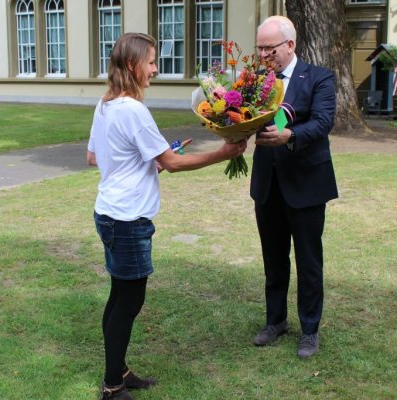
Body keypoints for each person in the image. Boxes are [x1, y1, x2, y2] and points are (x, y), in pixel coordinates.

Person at [86, 32, 246, 400]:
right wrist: (223, 153)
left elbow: (94, 157)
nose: (156, 69)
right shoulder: (133, 110)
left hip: (109, 213)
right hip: (127, 219)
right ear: (133, 65)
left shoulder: (105, 104)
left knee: (119, 296)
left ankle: (118, 370)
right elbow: (172, 163)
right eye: (151, 62)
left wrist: (146, 163)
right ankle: (112, 386)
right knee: (129, 302)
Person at [250, 16, 338, 357]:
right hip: (267, 184)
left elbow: (323, 121)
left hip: (306, 184)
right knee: (273, 258)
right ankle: (275, 321)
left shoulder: (319, 77)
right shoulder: (256, 81)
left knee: (308, 261)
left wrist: (291, 135)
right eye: (259, 48)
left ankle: (310, 329)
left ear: (290, 45)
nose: (263, 55)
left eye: (268, 49)